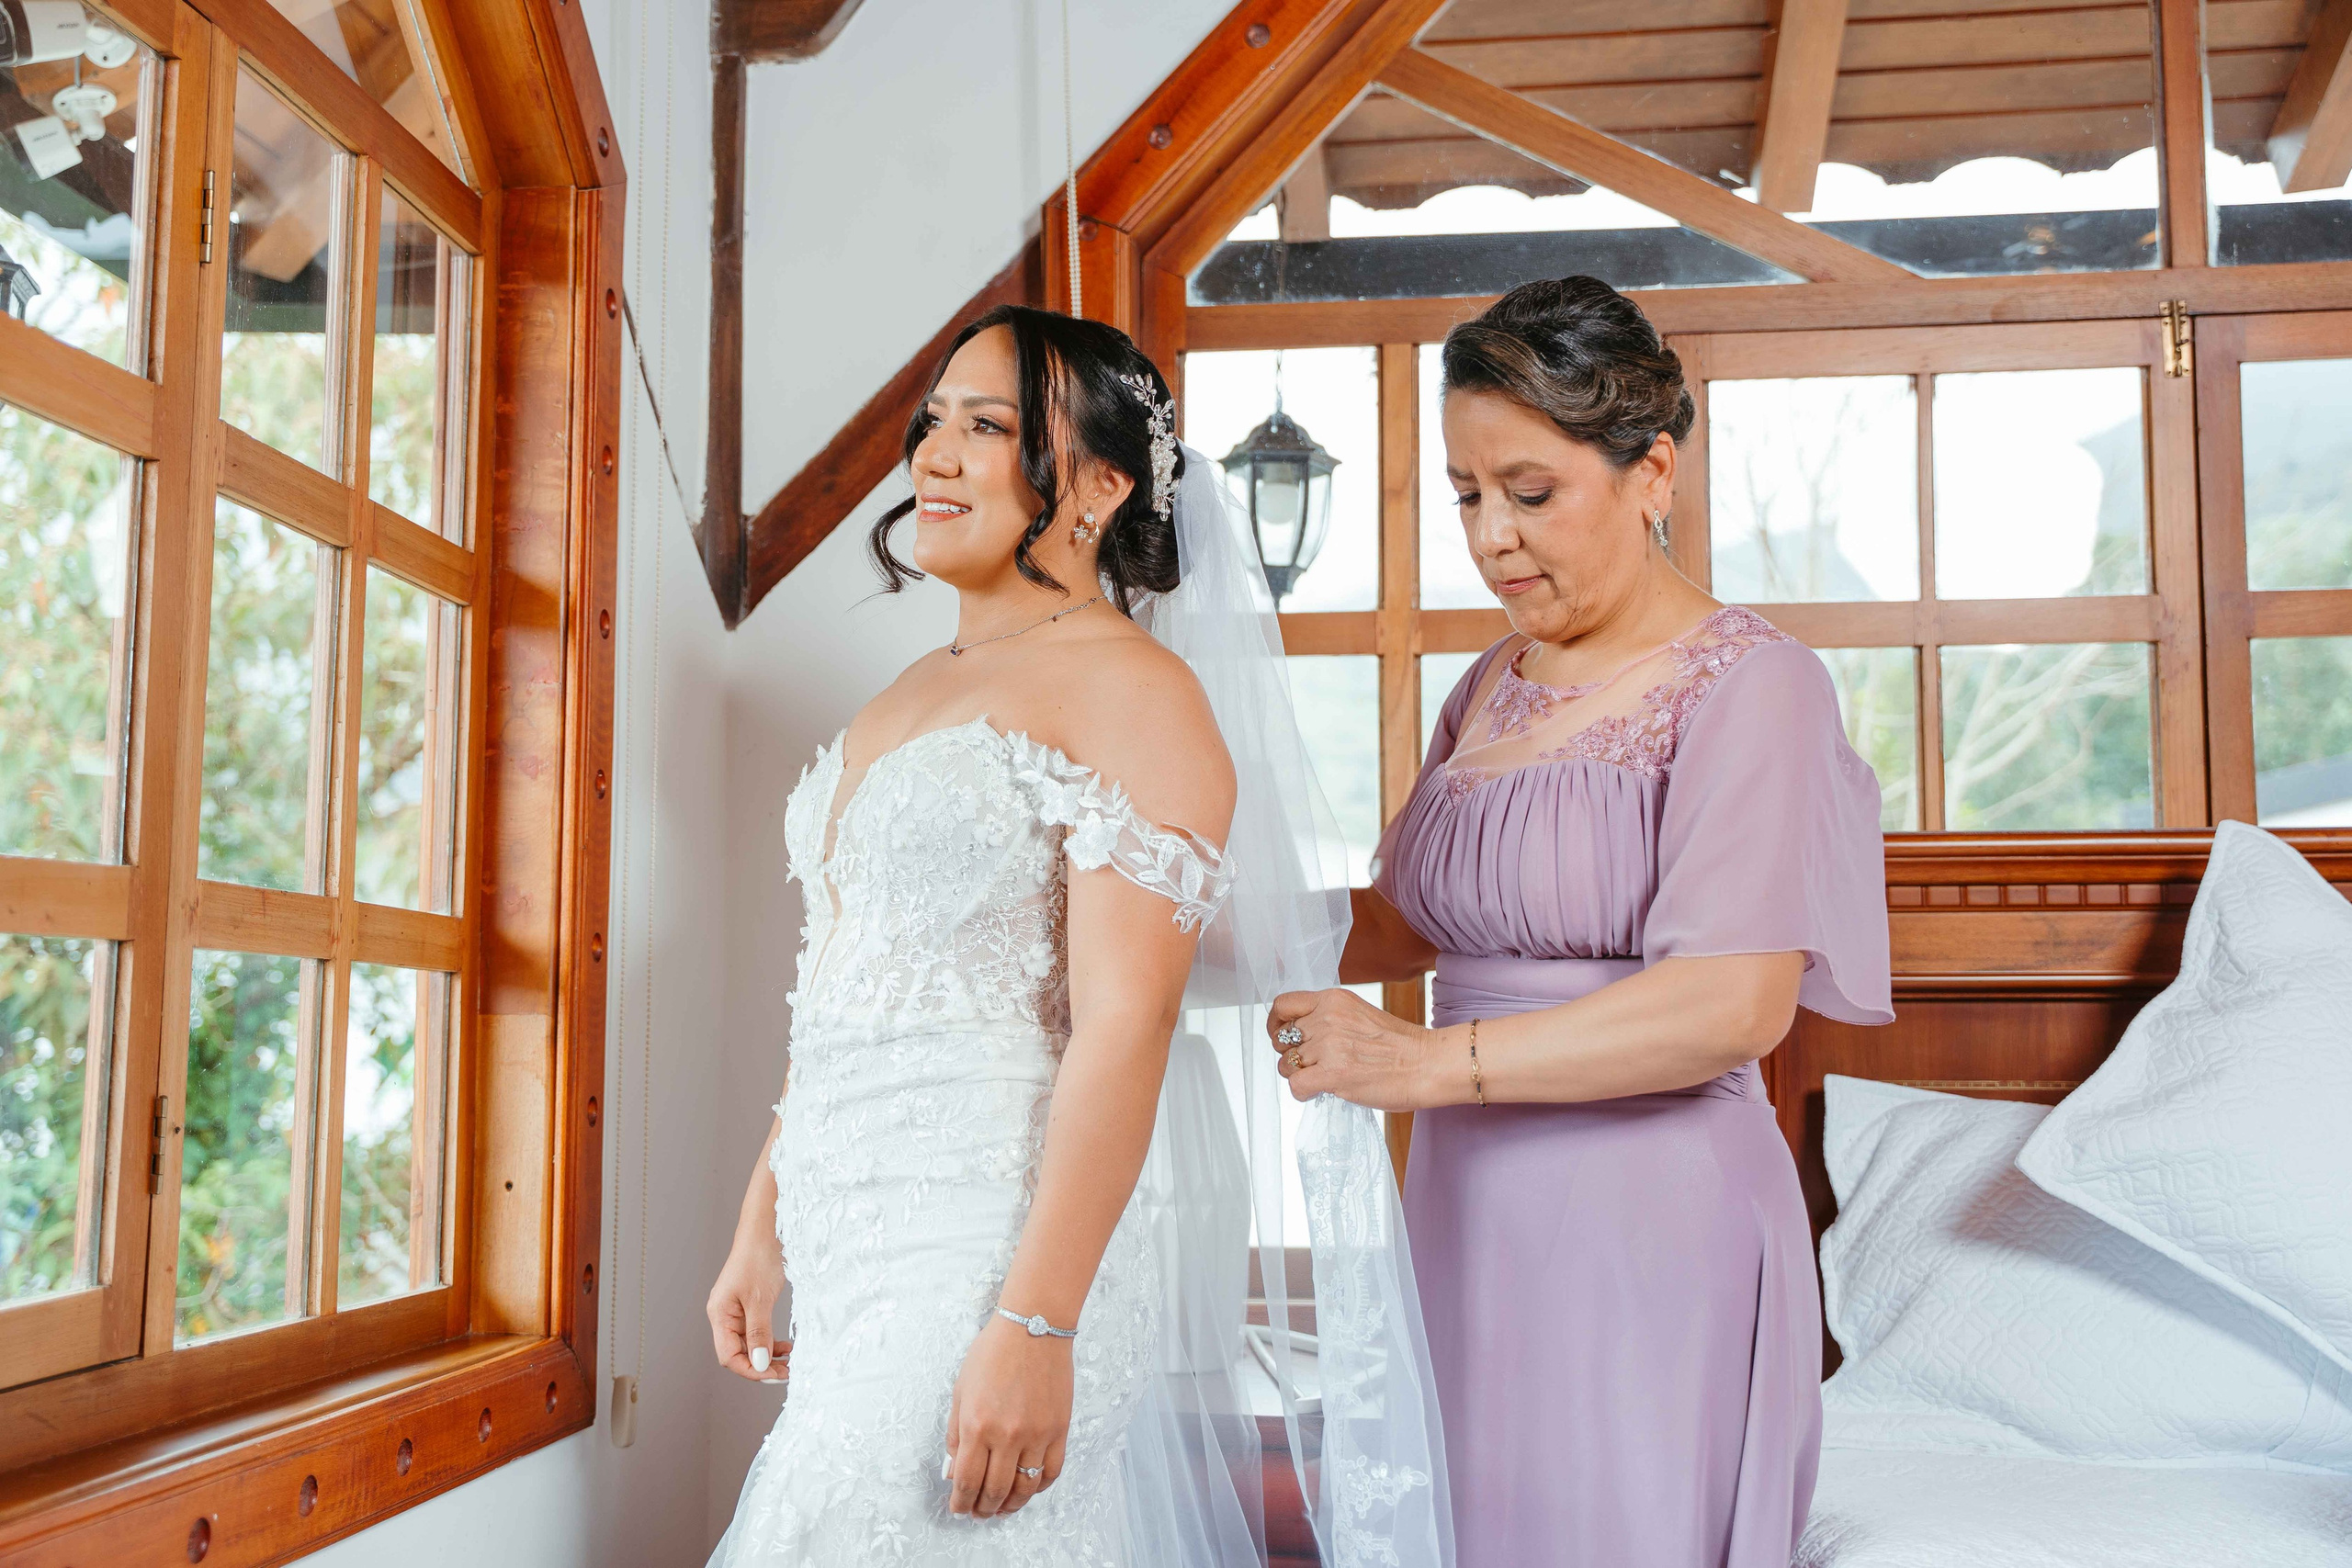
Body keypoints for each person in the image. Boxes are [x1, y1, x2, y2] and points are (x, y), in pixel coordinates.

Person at [704, 305, 1451, 1567]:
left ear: (1101, 486)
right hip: (858, 1240)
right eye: (932, 420)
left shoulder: (1137, 694)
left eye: (986, 427)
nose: (933, 455)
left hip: (994, 1250)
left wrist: (1037, 1325)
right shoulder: (905, 694)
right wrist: (759, 1216)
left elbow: (1125, 1022)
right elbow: (846, 987)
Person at [1268, 275, 1894, 1568]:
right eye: (1466, 494)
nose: (1492, 537)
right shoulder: (1492, 682)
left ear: (1652, 471)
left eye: (1530, 493)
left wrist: (1426, 1064)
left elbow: (1732, 1004)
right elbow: (1408, 917)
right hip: (1465, 1209)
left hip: (1649, 1217)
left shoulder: (1756, 685)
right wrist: (1167, 938)